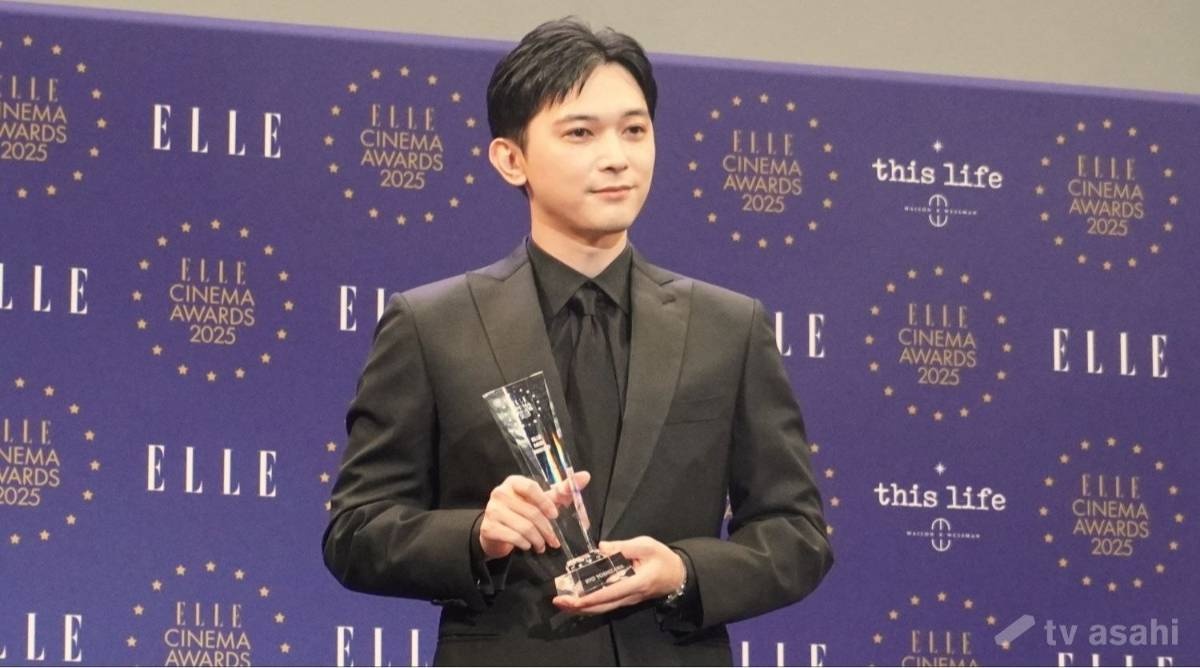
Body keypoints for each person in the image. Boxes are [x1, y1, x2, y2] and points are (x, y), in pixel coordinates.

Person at [323, 17, 833, 666]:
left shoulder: (729, 328)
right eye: (581, 133)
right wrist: (478, 535)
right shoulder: (432, 326)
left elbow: (797, 535)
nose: (617, 157)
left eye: (635, 130)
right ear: (511, 159)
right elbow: (356, 531)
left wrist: (683, 570)